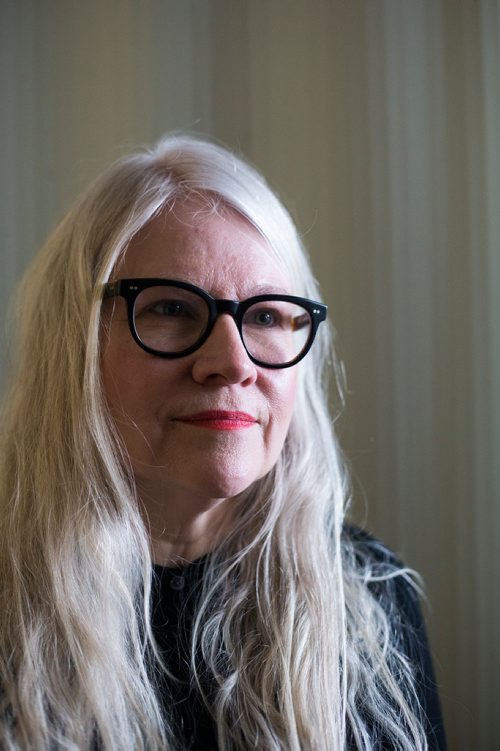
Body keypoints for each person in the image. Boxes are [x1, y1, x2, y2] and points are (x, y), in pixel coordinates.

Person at [0, 134, 446, 750]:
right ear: (70, 346)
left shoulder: (368, 604)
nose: (232, 364)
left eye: (265, 316)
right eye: (173, 309)